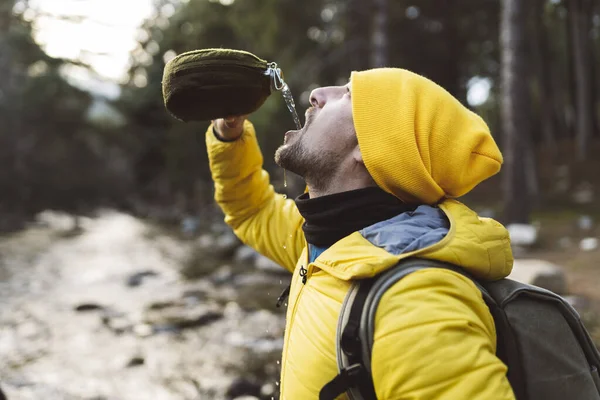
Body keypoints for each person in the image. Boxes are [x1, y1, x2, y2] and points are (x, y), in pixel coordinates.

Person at [207, 68, 515, 399]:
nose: (318, 94)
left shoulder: (414, 303)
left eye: (349, 95)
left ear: (370, 148)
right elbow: (251, 211)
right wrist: (229, 133)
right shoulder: (328, 244)